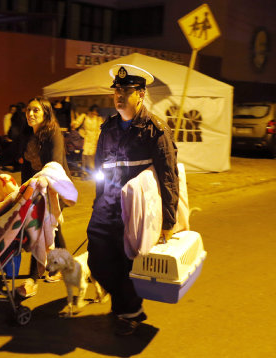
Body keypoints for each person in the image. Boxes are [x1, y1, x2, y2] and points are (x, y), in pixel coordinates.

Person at [87, 64, 179, 336]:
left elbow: (169, 177)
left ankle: (129, 312)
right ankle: (126, 306)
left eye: (126, 91)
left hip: (136, 211)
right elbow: (101, 168)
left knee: (127, 263)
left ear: (140, 94)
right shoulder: (109, 128)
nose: (119, 96)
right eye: (117, 90)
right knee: (98, 260)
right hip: (107, 206)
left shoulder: (156, 130)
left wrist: (168, 221)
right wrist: (97, 202)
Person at [0, 96, 71, 297]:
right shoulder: (26, 135)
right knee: (54, 230)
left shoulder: (53, 134)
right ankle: (65, 264)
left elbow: (55, 163)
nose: (31, 114)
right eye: (29, 111)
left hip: (54, 187)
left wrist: (43, 183)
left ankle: (33, 278)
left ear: (46, 113)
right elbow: (8, 153)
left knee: (38, 228)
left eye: (36, 111)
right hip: (34, 188)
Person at [71, 104, 104, 178]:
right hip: (85, 139)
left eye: (96, 112)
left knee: (92, 157)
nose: (94, 114)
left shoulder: (99, 119)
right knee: (84, 156)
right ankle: (84, 172)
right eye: (93, 112)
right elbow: (76, 124)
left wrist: (99, 141)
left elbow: (100, 130)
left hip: (94, 140)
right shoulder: (84, 116)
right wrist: (74, 124)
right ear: (90, 111)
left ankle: (92, 173)